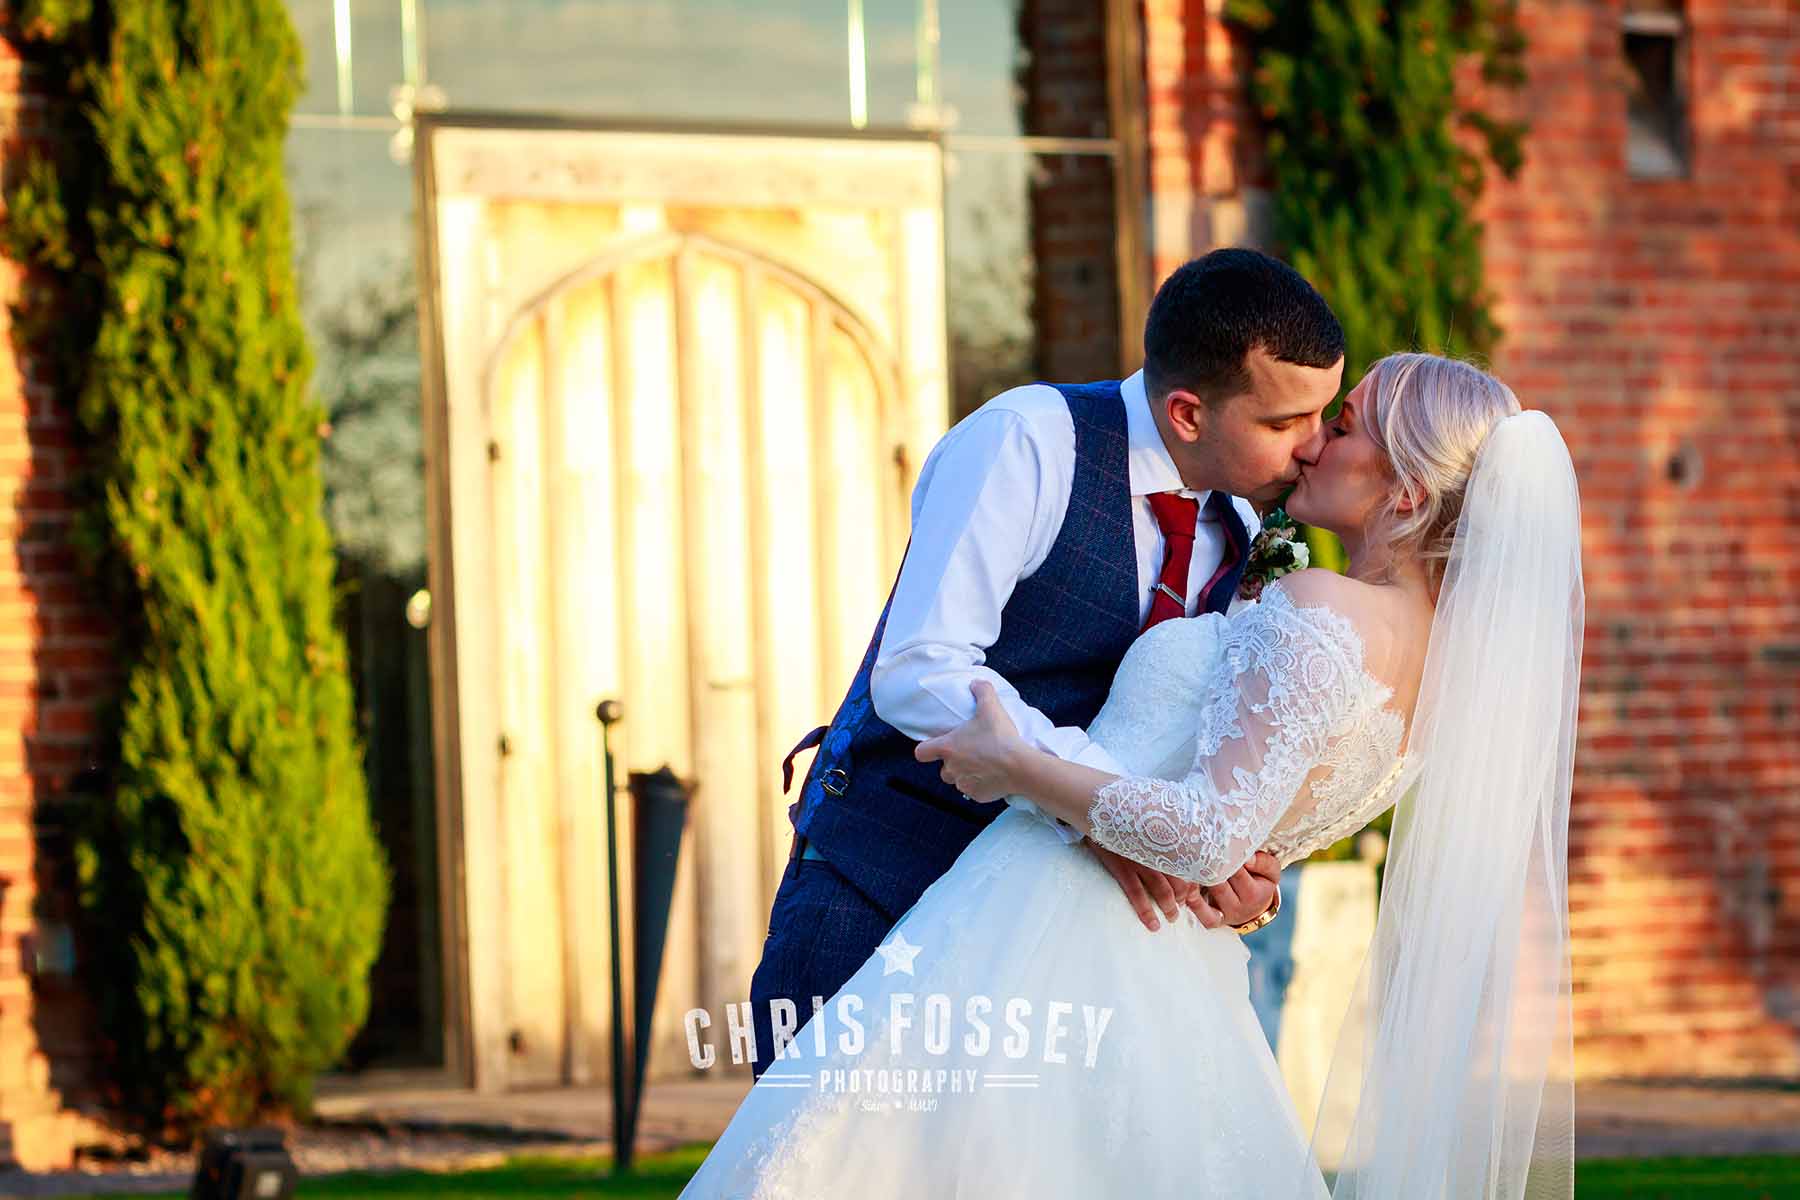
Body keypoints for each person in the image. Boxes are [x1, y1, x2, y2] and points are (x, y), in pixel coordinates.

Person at [683, 352, 1583, 1199]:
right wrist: (1251, 886)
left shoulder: (1316, 602)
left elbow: (1207, 832)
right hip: (1166, 971)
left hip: (1049, 930)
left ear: (1408, 492)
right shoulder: (1444, 680)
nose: (1312, 442)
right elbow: (1249, 822)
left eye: (1341, 427)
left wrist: (1020, 766)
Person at [748, 249, 1347, 1080]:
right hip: (886, 881)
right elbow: (920, 668)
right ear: (1187, 413)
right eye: (1286, 424)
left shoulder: (1245, 520)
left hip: (1054, 935)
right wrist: (1111, 808)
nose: (1315, 448)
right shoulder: (1029, 441)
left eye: (1324, 415)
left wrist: (1237, 876)